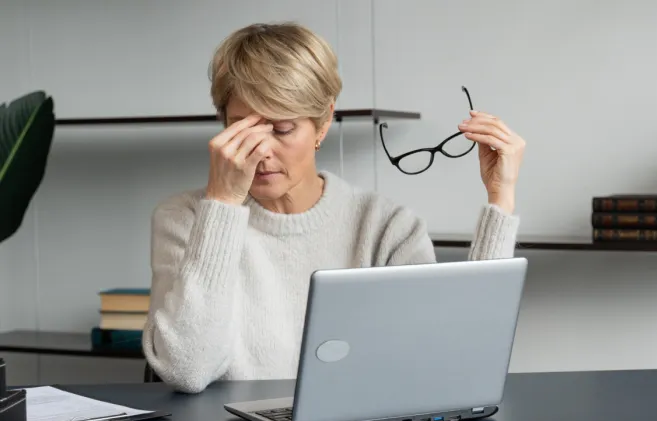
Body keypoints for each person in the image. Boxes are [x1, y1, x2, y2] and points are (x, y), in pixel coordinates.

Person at [142, 22, 526, 394]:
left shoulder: (387, 227)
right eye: (242, 127)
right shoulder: (186, 218)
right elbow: (188, 369)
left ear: (323, 122)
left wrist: (501, 197)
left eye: (282, 129)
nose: (260, 150)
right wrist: (223, 205)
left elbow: (456, 363)